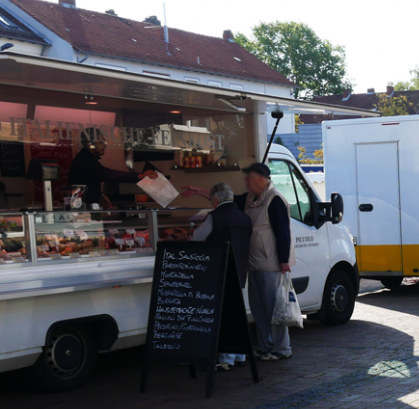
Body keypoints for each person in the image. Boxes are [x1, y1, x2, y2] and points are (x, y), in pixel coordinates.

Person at [182, 163, 295, 361]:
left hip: (271, 263)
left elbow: (282, 232)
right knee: (259, 307)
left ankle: (282, 348)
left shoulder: (274, 198)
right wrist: (198, 191)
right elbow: (225, 200)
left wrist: (284, 261)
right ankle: (265, 346)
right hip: (254, 262)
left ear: (260, 179)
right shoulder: (251, 198)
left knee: (274, 307)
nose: (246, 182)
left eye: (249, 178)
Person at [192, 182, 253, 371]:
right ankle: (239, 354)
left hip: (221, 270)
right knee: (237, 313)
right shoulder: (244, 217)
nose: (211, 203)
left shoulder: (215, 217)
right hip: (241, 270)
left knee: (224, 315)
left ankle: (226, 359)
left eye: (211, 200)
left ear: (216, 200)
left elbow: (197, 238)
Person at [68, 128, 158, 209]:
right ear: (90, 144)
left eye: (104, 142)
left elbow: (90, 179)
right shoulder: (86, 160)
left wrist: (100, 195)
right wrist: (139, 176)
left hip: (84, 210)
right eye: (100, 142)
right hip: (82, 212)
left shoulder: (85, 158)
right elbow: (107, 174)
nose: (105, 145)